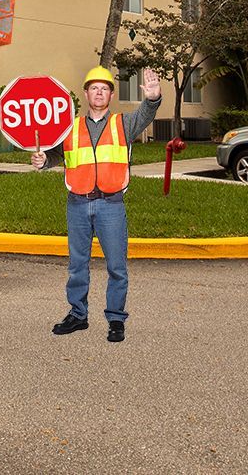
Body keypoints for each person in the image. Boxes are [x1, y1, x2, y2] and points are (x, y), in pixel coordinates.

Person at [30, 65, 161, 343]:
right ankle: (78, 315)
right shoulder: (70, 127)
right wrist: (44, 162)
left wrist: (152, 98)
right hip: (77, 203)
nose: (99, 92)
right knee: (77, 264)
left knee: (116, 266)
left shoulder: (123, 124)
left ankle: (115, 318)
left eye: (104, 88)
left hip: (111, 206)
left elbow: (146, 114)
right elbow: (56, 154)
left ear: (111, 95)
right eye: (94, 88)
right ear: (86, 93)